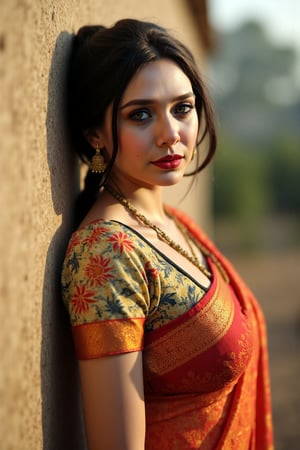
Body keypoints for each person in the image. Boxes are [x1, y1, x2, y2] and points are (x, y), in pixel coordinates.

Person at [61, 18, 274, 449]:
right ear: (95, 136)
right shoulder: (106, 252)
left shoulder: (173, 223)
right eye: (140, 114)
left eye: (182, 108)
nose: (171, 134)